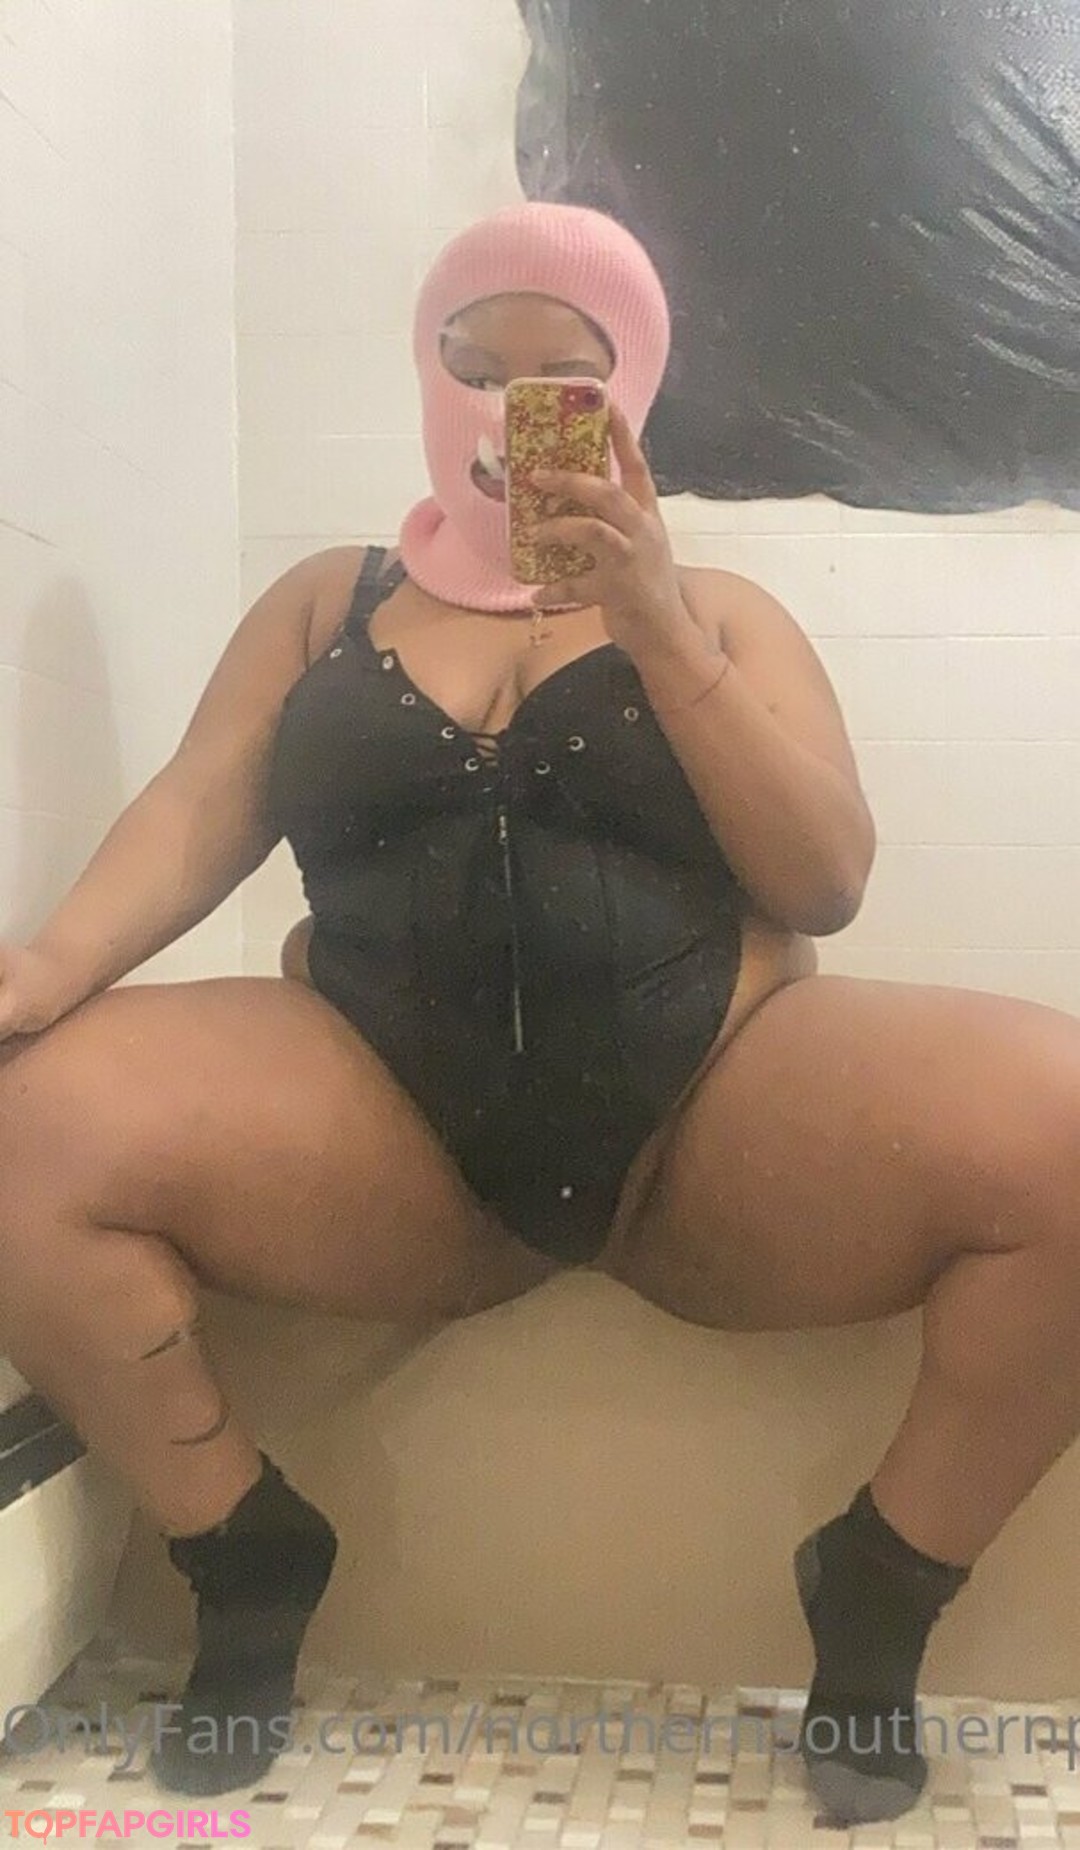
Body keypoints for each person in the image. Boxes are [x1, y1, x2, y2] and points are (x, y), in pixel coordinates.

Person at [0, 202, 1078, 1824]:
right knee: (25, 1122)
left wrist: (655, 622)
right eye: (469, 364)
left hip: (704, 1124)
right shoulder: (325, 602)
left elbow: (827, 875)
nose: (508, 411)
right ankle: (244, 1550)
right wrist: (51, 964)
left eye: (558, 374)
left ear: (628, 391)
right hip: (385, 1129)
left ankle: (883, 1584)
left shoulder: (726, 612)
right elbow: (198, 802)